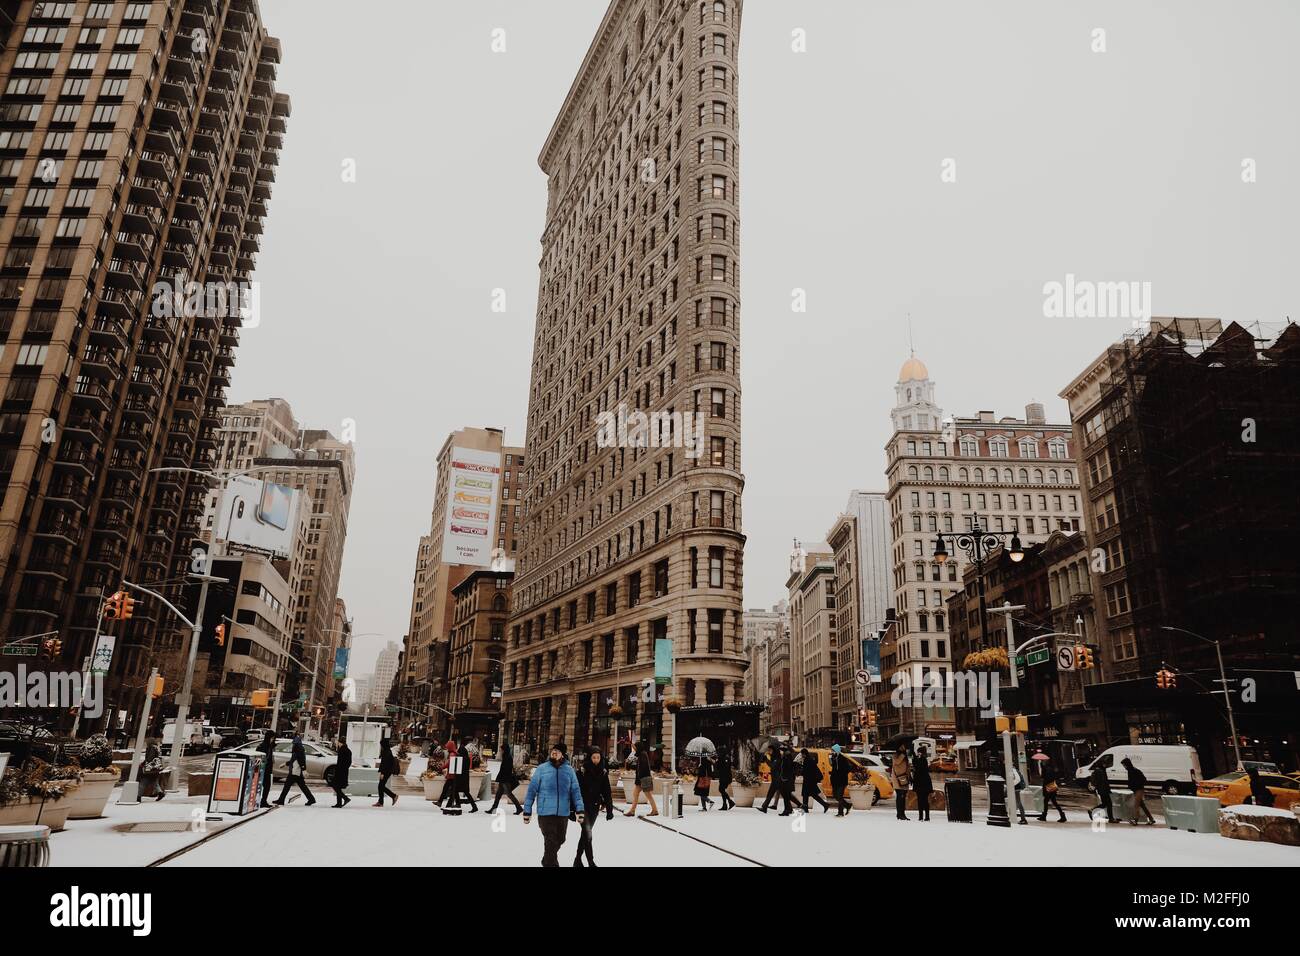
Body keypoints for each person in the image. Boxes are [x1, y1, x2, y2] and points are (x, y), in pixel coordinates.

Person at [523, 741, 585, 867]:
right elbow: (531, 790)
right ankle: (551, 864)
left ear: (562, 755)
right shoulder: (542, 769)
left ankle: (546, 860)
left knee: (561, 839)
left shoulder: (569, 770)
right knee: (550, 841)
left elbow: (576, 791)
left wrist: (580, 810)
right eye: (553, 750)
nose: (554, 752)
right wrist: (527, 810)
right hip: (545, 812)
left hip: (563, 813)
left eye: (558, 751)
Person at [573, 746, 613, 867]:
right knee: (587, 832)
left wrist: (609, 809)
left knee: (585, 834)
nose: (596, 760)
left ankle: (577, 859)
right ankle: (591, 861)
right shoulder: (582, 771)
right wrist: (572, 808)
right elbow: (575, 790)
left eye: (598, 757)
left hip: (594, 807)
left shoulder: (603, 772)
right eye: (594, 757)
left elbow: (607, 791)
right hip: (582, 806)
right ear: (589, 758)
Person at [274, 734, 315, 806]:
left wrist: (303, 769)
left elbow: (300, 760)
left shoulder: (297, 748)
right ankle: (311, 799)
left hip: (295, 771)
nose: (292, 745)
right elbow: (295, 760)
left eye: (293, 743)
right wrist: (286, 764)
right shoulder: (299, 748)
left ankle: (281, 800)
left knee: (287, 785)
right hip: (297, 771)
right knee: (302, 786)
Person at [622, 740, 659, 817]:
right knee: (636, 794)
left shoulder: (643, 754)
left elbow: (644, 768)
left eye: (635, 747)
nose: (634, 749)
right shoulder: (641, 754)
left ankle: (655, 810)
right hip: (640, 779)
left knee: (647, 795)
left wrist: (641, 779)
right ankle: (632, 811)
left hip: (643, 779)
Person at [489, 740, 523, 814]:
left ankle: (519, 808)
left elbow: (506, 770)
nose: (500, 751)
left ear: (504, 750)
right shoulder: (506, 757)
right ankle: (493, 809)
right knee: (498, 795)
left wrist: (502, 778)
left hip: (505, 779)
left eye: (501, 749)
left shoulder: (508, 758)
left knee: (509, 794)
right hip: (503, 779)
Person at [1121, 757, 1156, 824]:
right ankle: (1151, 819)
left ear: (1127, 764)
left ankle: (1135, 820)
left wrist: (1136, 785)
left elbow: (1143, 779)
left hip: (1138, 790)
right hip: (1136, 790)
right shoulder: (1130, 770)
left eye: (1124, 765)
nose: (1124, 767)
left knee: (1136, 805)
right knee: (1142, 805)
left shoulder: (1134, 770)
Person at [757, 744, 787, 814]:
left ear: (773, 750)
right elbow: (767, 763)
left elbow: (773, 766)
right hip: (775, 779)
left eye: (770, 750)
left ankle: (764, 807)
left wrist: (767, 759)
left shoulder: (777, 757)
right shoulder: (773, 757)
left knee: (785, 795)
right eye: (768, 750)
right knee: (781, 794)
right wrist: (765, 758)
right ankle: (764, 807)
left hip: (777, 779)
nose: (768, 751)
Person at [1036, 757, 1067, 822]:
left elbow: (1044, 777)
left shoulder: (1047, 769)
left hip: (1049, 787)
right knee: (1053, 802)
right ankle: (1061, 815)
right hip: (1051, 787)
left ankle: (1044, 816)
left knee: (1048, 802)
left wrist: (1041, 766)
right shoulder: (1050, 768)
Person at [799, 748, 829, 813]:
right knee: (807, 794)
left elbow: (806, 771)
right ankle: (806, 808)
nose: (801, 755)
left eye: (802, 754)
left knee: (810, 794)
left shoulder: (807, 760)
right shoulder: (809, 759)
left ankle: (825, 804)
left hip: (809, 781)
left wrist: (801, 769)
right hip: (810, 780)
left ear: (804, 754)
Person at [455, 736, 479, 813]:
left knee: (456, 790)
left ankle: (459, 804)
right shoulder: (467, 758)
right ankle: (473, 806)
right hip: (465, 777)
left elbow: (459, 767)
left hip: (461, 777)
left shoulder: (461, 758)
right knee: (465, 792)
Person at [374, 737, 399, 807]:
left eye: (381, 744)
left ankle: (393, 796)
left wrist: (382, 773)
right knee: (381, 786)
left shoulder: (386, 752)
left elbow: (385, 764)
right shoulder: (387, 751)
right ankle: (381, 802)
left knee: (381, 786)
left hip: (386, 772)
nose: (381, 746)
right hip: (387, 771)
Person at [890, 745, 912, 820]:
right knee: (900, 797)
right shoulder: (896, 755)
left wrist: (910, 777)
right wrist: (903, 754)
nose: (904, 748)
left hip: (904, 778)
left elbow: (907, 767)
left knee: (903, 797)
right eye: (902, 747)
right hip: (898, 779)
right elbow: (897, 762)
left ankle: (902, 814)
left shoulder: (904, 755)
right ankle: (899, 814)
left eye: (904, 747)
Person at [436, 738, 459, 808]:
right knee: (452, 790)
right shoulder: (454, 753)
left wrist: (442, 767)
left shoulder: (452, 754)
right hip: (453, 775)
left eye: (447, 747)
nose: (446, 748)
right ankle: (441, 802)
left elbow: (449, 763)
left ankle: (440, 802)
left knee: (447, 789)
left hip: (451, 775)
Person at [828, 744, 851, 816]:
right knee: (835, 795)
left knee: (839, 796)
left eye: (833, 750)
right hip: (835, 781)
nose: (832, 752)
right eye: (832, 750)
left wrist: (841, 773)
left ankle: (840, 812)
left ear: (837, 751)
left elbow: (847, 769)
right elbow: (834, 769)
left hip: (841, 780)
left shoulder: (843, 758)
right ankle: (847, 805)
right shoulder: (834, 758)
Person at [911, 747, 933, 821]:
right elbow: (916, 765)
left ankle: (925, 817)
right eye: (918, 752)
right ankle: (923, 816)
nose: (918, 754)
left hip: (922, 783)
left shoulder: (923, 759)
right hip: (923, 783)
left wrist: (914, 756)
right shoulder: (921, 759)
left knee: (922, 800)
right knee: (922, 800)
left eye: (919, 752)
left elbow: (918, 767)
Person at [331, 738, 352, 808]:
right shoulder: (348, 751)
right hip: (344, 771)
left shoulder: (341, 750)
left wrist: (337, 770)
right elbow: (349, 762)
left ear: (340, 743)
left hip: (340, 771)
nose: (337, 744)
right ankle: (339, 803)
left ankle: (345, 798)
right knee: (338, 787)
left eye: (338, 742)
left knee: (335, 785)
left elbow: (340, 762)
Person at [258, 729, 275, 807]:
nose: (273, 740)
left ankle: (263, 801)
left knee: (266, 786)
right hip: (263, 769)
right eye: (272, 738)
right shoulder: (264, 746)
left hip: (267, 769)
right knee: (264, 786)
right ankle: (262, 801)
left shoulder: (269, 746)